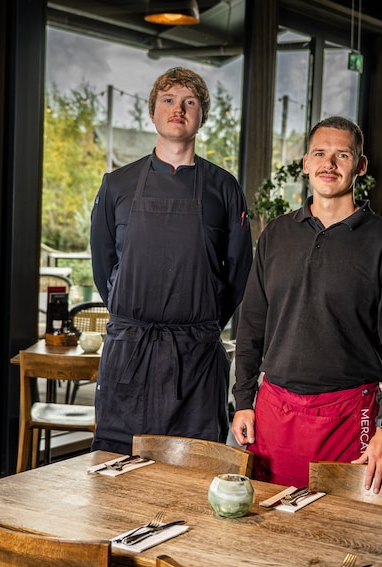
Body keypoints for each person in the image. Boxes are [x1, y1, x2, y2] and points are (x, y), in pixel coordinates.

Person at [231, 116, 382, 492]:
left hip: (350, 415)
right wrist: (242, 400)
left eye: (342, 155)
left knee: (343, 533)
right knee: (269, 527)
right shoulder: (276, 235)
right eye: (320, 153)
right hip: (275, 411)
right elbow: (252, 324)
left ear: (360, 166)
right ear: (305, 163)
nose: (329, 164)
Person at [89, 67, 253, 454]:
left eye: (189, 102)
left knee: (194, 471)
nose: (178, 108)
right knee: (116, 470)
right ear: (153, 112)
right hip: (130, 351)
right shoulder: (117, 185)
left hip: (196, 355)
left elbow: (239, 271)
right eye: (168, 100)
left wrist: (203, 320)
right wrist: (129, 314)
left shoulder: (224, 188)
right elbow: (102, 263)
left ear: (201, 117)